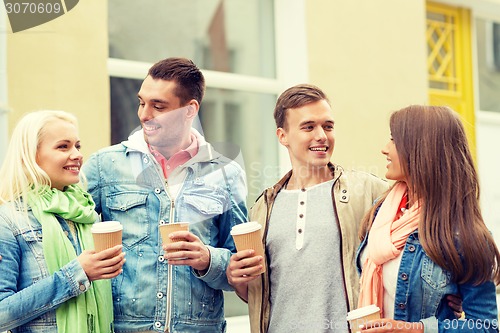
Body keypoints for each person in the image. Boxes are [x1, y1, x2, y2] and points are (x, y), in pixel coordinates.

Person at [83, 57, 248, 332]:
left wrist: (208, 259)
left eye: (158, 106)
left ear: (189, 110)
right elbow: (62, 234)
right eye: (141, 102)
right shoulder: (104, 166)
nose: (144, 114)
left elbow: (243, 273)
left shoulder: (226, 174)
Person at [226, 84, 390, 333]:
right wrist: (238, 280)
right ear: (283, 136)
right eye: (308, 127)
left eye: (328, 126)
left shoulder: (369, 191)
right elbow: (257, 296)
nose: (322, 135)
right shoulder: (263, 208)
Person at [357, 105, 500, 332]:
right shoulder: (382, 211)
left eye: (394, 140)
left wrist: (415, 329)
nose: (385, 149)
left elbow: (485, 327)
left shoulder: (464, 235)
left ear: (421, 150)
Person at [0, 110, 125, 333]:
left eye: (78, 146)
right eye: (63, 146)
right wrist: (76, 275)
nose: (77, 154)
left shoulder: (85, 212)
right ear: (31, 155)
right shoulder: (9, 220)